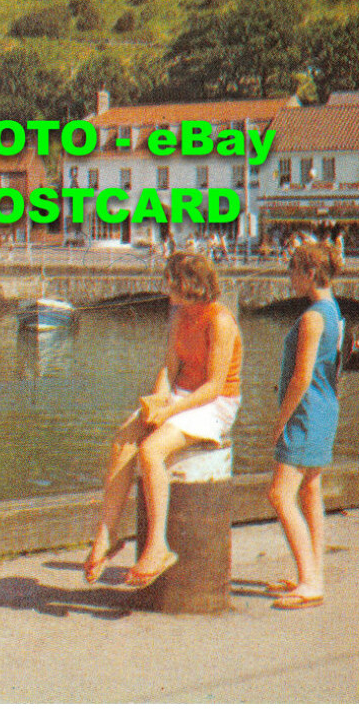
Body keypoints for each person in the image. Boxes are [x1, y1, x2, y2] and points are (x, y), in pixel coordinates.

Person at [82, 251, 242, 587]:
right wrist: (157, 403)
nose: (165, 286)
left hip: (214, 404)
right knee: (124, 439)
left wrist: (169, 413)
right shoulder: (178, 314)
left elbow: (214, 387)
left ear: (188, 285)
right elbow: (169, 368)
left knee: (151, 450)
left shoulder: (220, 320)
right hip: (182, 397)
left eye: (170, 281)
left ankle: (157, 547)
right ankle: (105, 536)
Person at [265, 239, 346, 611]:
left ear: (310, 273)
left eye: (293, 270)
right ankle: (313, 573)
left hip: (306, 412)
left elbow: (300, 377)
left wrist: (280, 421)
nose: (289, 278)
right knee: (311, 491)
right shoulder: (335, 312)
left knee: (280, 494)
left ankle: (309, 582)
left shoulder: (313, 317)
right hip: (326, 405)